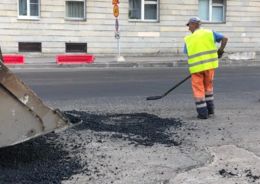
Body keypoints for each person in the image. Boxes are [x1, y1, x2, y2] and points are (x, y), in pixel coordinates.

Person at [184, 17, 228, 119]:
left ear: (194, 24)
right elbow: (225, 38)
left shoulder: (188, 39)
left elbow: (188, 53)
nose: (188, 28)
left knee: (198, 90)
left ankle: (203, 114)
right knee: (208, 88)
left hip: (197, 69)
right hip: (210, 67)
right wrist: (220, 50)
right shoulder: (210, 33)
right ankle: (211, 110)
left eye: (189, 25)